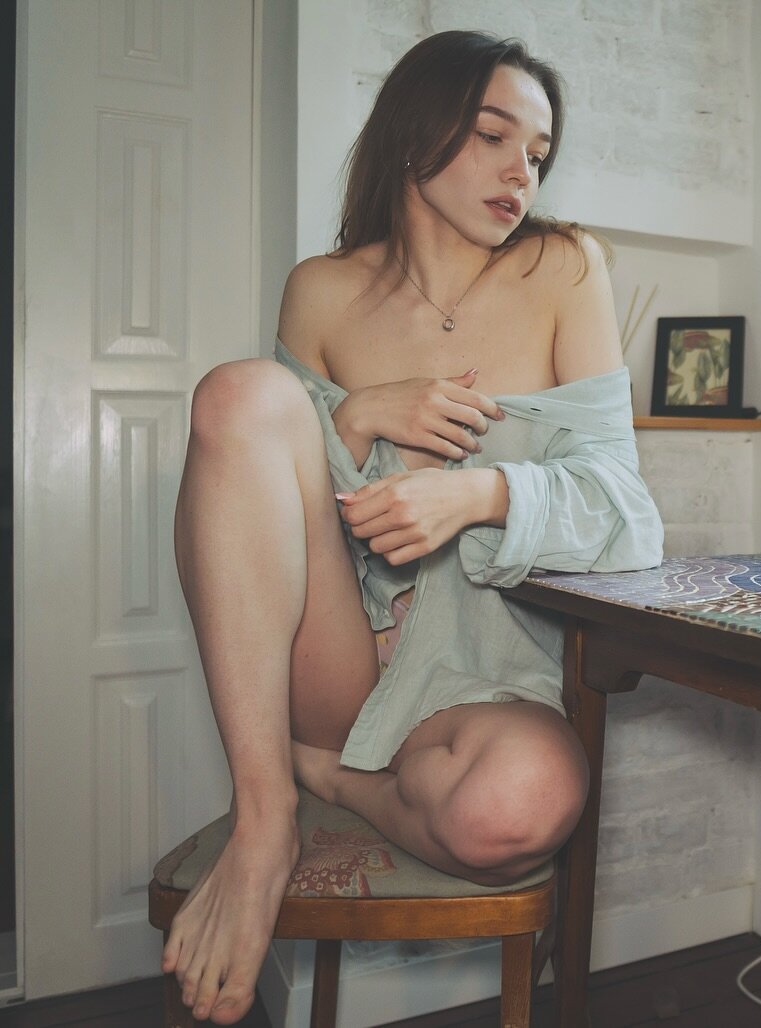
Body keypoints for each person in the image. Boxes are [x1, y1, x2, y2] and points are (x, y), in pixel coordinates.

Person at [159, 31, 663, 1024]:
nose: (522, 172)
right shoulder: (321, 289)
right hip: (345, 659)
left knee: (523, 802)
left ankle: (329, 778)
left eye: (538, 153)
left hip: (489, 677)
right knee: (240, 394)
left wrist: (482, 494)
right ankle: (267, 818)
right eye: (493, 136)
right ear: (414, 132)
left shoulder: (565, 269)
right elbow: (270, 495)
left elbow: (626, 512)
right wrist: (354, 418)